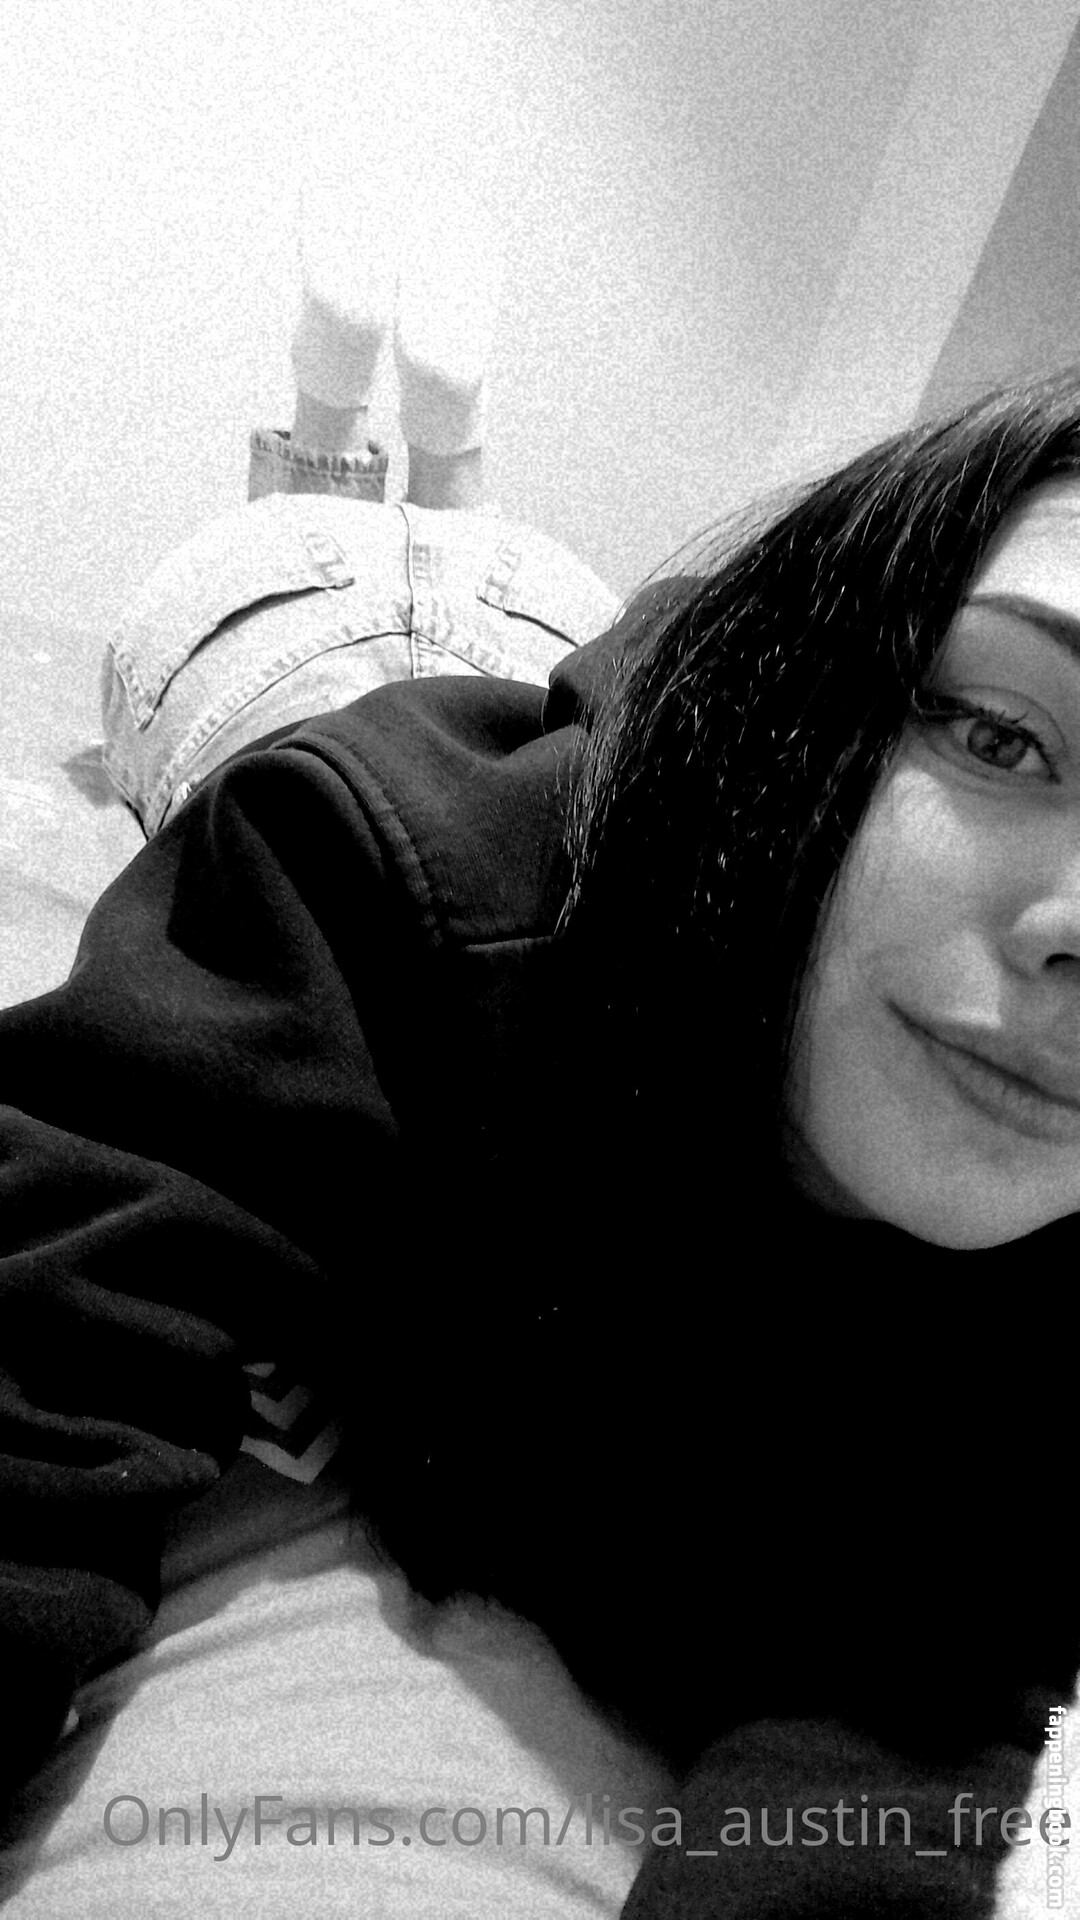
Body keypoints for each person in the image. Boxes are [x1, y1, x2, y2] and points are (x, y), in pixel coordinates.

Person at [1, 185, 1078, 1920]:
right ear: (813, 700)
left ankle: (431, 449)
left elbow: (924, 1687)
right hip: (312, 673)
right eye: (1002, 734)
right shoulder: (385, 863)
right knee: (305, 583)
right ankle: (359, 441)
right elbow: (55, 1318)